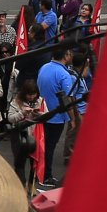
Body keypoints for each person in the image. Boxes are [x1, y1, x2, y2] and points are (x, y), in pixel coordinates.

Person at [36, 47, 76, 189]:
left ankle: (38, 172)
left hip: (42, 113)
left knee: (41, 145)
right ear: (66, 55)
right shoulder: (64, 74)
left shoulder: (44, 67)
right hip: (56, 117)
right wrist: (72, 119)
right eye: (70, 53)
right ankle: (46, 175)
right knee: (50, 147)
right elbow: (67, 99)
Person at [7, 80, 41, 182]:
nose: (31, 97)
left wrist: (39, 115)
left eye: (33, 94)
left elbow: (47, 116)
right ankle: (21, 184)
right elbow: (10, 118)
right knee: (19, 163)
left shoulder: (40, 101)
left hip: (35, 135)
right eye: (29, 95)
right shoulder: (16, 102)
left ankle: (32, 184)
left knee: (34, 162)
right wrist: (22, 113)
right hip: (19, 136)